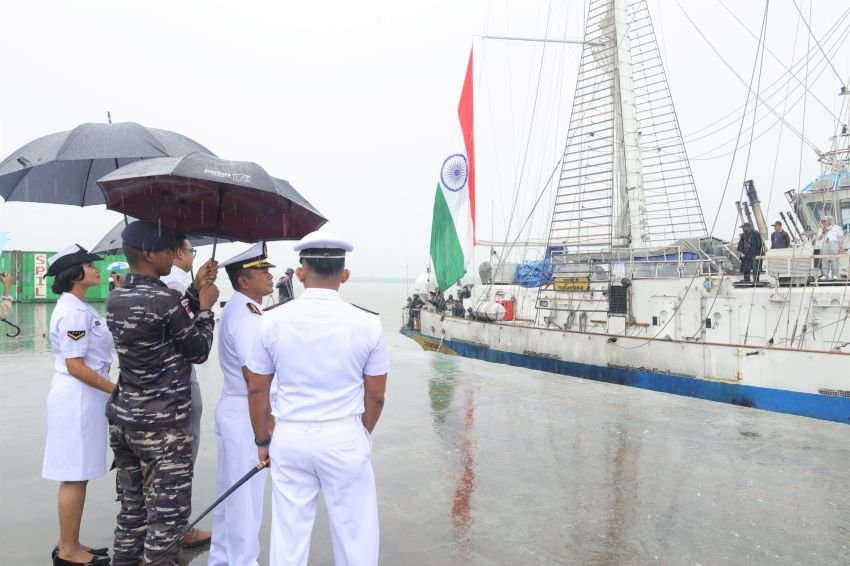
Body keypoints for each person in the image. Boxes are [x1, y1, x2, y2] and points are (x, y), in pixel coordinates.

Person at [246, 231, 389, 566]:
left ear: (300, 272)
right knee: (356, 534)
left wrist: (263, 440)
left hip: (290, 435)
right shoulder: (368, 323)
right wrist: (359, 433)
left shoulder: (271, 320)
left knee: (289, 534)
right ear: (345, 274)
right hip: (344, 434)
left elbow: (256, 389)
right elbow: (377, 395)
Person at [106, 221, 218, 566]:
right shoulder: (165, 300)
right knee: (165, 524)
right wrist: (205, 308)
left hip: (125, 420)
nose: (173, 256)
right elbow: (198, 350)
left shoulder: (117, 296)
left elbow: (159, 322)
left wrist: (194, 290)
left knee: (132, 514)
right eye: (168, 251)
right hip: (164, 426)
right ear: (149, 254)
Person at [43, 245, 114, 566]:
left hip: (84, 396)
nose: (97, 269)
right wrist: (117, 390)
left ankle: (69, 542)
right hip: (77, 398)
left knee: (78, 473)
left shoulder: (79, 307)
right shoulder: (73, 312)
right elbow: (76, 365)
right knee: (74, 474)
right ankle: (69, 552)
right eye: (89, 265)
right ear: (74, 274)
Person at [209, 242, 275, 566]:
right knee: (246, 504)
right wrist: (264, 432)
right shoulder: (248, 316)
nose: (269, 275)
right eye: (261, 270)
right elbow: (256, 384)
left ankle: (222, 560)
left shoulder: (241, 307)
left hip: (234, 408)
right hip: (247, 413)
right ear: (243, 280)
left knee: (230, 499)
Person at [159, 235, 212, 547]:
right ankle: (179, 529)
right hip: (177, 381)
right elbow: (195, 346)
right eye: (192, 251)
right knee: (180, 460)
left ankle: (153, 530)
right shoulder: (176, 285)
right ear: (177, 252)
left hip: (150, 389)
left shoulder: (130, 291)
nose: (194, 256)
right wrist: (204, 306)